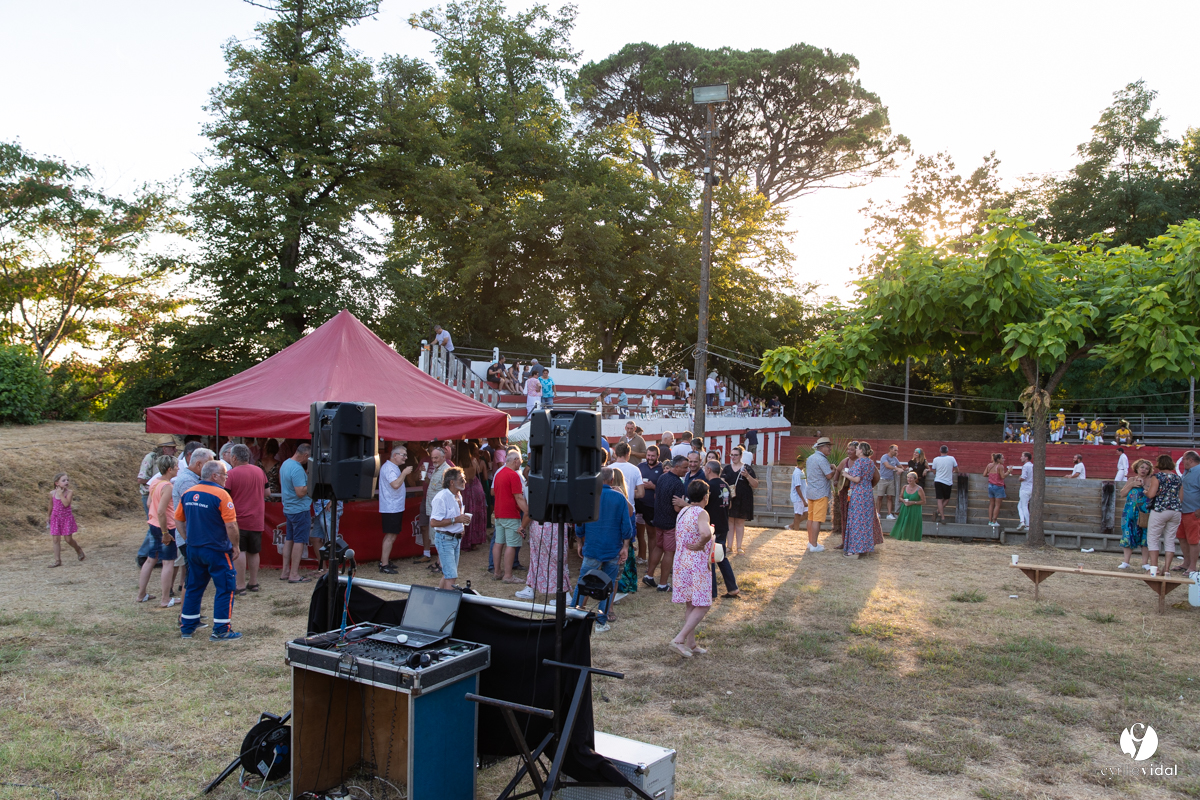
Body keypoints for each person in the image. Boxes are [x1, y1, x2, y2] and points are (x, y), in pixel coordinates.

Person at [175, 461, 241, 640]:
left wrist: (188, 538)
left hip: (194, 549)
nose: (226, 479)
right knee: (226, 587)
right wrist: (235, 546)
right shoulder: (221, 495)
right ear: (215, 476)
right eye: (225, 475)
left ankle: (187, 626)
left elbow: (178, 519)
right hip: (216, 549)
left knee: (193, 586)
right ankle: (221, 629)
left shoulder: (188, 493)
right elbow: (231, 525)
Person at [574, 467, 634, 632]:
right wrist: (625, 546)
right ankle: (601, 621)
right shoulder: (619, 498)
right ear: (612, 480)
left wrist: (580, 542)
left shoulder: (588, 498)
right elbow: (626, 526)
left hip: (593, 547)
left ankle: (574, 615)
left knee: (583, 582)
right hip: (613, 548)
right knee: (607, 586)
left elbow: (579, 524)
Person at [669, 479, 714, 658]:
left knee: (691, 603)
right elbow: (705, 533)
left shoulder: (683, 511)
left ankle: (691, 644)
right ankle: (679, 639)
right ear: (705, 496)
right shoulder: (701, 512)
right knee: (703, 604)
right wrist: (701, 543)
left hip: (681, 562)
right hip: (696, 563)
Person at [139, 454, 180, 607]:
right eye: (176, 466)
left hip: (153, 524)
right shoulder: (168, 486)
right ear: (169, 469)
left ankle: (141, 594)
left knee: (151, 559)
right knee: (168, 562)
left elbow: (150, 503)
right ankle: (165, 598)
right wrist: (165, 533)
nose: (178, 469)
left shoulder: (155, 482)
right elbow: (162, 511)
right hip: (166, 527)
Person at [226, 443, 267, 594]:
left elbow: (225, 496)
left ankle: (240, 584)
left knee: (239, 550)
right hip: (256, 519)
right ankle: (254, 582)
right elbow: (267, 492)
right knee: (254, 551)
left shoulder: (231, 474)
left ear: (235, 458)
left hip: (238, 519)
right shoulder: (259, 471)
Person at [644, 455, 687, 592]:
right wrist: (686, 506)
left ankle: (649, 575)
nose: (687, 470)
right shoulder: (678, 484)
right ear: (677, 467)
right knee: (669, 551)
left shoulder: (662, 477)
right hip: (670, 522)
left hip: (659, 519)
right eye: (684, 467)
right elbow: (676, 507)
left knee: (658, 547)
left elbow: (657, 495)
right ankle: (663, 584)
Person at [492, 450, 529, 584]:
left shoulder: (499, 474)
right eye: (520, 461)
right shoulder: (513, 475)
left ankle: (497, 572)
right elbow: (518, 497)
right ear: (515, 461)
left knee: (498, 542)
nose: (521, 463)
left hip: (499, 513)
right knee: (511, 544)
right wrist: (527, 510)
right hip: (511, 514)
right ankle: (508, 575)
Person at [428, 467, 468, 590]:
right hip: (445, 539)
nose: (465, 481)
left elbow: (458, 517)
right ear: (452, 482)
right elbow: (434, 522)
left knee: (448, 574)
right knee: (451, 576)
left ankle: (437, 599)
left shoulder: (458, 495)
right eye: (461, 479)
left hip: (455, 539)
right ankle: (448, 605)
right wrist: (456, 520)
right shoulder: (441, 497)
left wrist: (461, 527)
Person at [377, 445, 414, 575]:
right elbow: (395, 484)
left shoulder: (392, 467)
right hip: (391, 507)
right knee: (390, 536)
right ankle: (384, 564)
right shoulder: (389, 468)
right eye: (403, 455)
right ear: (395, 455)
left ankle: (384, 560)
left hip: (394, 506)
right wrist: (404, 473)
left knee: (392, 535)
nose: (405, 457)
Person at [279, 443, 312, 583]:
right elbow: (300, 492)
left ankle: (285, 571)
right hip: (299, 509)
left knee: (289, 539)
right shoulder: (297, 469)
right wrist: (311, 482)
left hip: (289, 508)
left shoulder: (286, 464)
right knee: (299, 541)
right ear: (305, 455)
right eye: (308, 458)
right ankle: (294, 574)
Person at [704, 461, 738, 599]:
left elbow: (703, 503)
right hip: (723, 524)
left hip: (713, 526)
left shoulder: (709, 486)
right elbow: (729, 505)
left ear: (709, 470)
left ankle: (711, 592)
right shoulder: (725, 485)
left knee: (710, 558)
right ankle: (732, 587)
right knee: (721, 556)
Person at [1145, 454, 1183, 576]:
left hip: (1160, 509)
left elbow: (1151, 494)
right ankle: (1166, 569)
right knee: (1170, 540)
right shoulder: (1177, 478)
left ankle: (1154, 569)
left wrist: (1145, 491)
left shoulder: (1157, 477)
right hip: (1175, 510)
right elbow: (1181, 498)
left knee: (1153, 538)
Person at [842, 442, 879, 559]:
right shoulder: (870, 462)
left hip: (858, 494)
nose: (856, 450)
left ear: (861, 451)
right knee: (865, 521)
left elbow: (857, 479)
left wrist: (846, 474)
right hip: (867, 493)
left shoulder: (859, 462)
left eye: (857, 448)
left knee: (856, 521)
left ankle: (854, 551)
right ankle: (864, 548)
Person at [722, 446, 758, 556]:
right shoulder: (727, 469)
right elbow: (722, 483)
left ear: (741, 456)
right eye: (731, 455)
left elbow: (755, 484)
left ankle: (739, 546)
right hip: (730, 498)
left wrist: (747, 475)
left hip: (743, 498)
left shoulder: (747, 468)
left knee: (739, 522)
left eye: (735, 455)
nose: (733, 457)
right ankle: (729, 546)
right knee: (730, 522)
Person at [1118, 458, 1153, 570]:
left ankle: (1145, 563)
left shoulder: (1151, 480)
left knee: (1145, 535)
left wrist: (1144, 486)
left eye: (1147, 468)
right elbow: (1122, 494)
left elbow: (1151, 494)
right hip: (1130, 511)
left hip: (1144, 512)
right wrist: (1132, 484)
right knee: (1128, 534)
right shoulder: (1132, 479)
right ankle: (1126, 561)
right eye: (1142, 467)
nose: (1144, 470)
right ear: (1137, 468)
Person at [46, 471, 85, 567]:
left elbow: (66, 504)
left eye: (67, 480)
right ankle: (57, 561)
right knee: (55, 539)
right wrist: (48, 516)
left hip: (66, 518)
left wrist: (60, 494)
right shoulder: (52, 493)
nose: (66, 482)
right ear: (57, 483)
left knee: (68, 539)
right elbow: (51, 505)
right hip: (55, 518)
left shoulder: (69, 492)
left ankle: (78, 549)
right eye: (63, 480)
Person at [419, 447, 450, 564]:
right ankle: (439, 562)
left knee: (441, 538)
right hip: (433, 510)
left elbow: (450, 492)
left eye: (436, 458)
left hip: (440, 511)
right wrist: (425, 477)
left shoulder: (446, 471)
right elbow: (433, 486)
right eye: (432, 458)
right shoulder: (437, 470)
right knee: (437, 538)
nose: (434, 460)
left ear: (443, 457)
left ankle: (441, 564)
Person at [805, 438, 835, 553]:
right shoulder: (822, 459)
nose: (830, 448)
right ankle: (814, 544)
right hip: (821, 492)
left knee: (810, 518)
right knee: (817, 520)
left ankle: (810, 542)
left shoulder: (810, 458)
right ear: (821, 447)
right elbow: (828, 476)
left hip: (811, 491)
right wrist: (833, 469)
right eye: (828, 446)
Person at [635, 445, 663, 562]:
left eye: (652, 456)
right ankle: (641, 556)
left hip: (652, 506)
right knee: (638, 533)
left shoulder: (662, 469)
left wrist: (653, 487)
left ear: (658, 456)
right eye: (648, 455)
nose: (650, 458)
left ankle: (652, 560)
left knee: (651, 534)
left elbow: (665, 489)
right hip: (639, 504)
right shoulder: (640, 467)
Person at [138, 436, 177, 516]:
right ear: (164, 449)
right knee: (154, 521)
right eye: (173, 448)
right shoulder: (151, 457)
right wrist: (159, 481)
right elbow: (141, 479)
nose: (175, 450)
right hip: (149, 494)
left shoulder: (171, 459)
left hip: (164, 493)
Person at [461, 441, 489, 551]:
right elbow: (479, 472)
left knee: (464, 514)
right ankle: (475, 540)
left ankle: (465, 540)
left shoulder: (457, 462)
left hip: (465, 489)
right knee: (475, 515)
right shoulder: (473, 460)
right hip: (476, 488)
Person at [1177, 450, 1200, 578]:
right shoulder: (1187, 472)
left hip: (1193, 511)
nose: (1183, 462)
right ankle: (1186, 563)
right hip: (1183, 510)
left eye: (1184, 459)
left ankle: (1192, 567)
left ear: (1190, 460)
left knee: (1193, 540)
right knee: (1182, 537)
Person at [890, 471, 925, 542]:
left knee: (912, 524)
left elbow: (924, 501)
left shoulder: (919, 489)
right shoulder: (904, 487)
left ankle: (912, 538)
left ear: (915, 479)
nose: (909, 479)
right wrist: (903, 501)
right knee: (903, 523)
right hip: (905, 507)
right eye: (908, 478)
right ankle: (901, 537)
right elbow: (900, 497)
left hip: (914, 509)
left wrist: (913, 502)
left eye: (911, 478)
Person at [930, 445, 958, 523]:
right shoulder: (952, 458)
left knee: (939, 499)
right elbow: (957, 469)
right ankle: (938, 513)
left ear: (940, 451)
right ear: (947, 451)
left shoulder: (935, 459)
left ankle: (941, 516)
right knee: (947, 499)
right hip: (948, 481)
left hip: (938, 480)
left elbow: (934, 471)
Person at [877, 444, 903, 519]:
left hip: (891, 479)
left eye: (897, 450)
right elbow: (887, 466)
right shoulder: (884, 457)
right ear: (890, 450)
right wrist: (896, 468)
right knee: (880, 496)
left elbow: (900, 466)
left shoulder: (895, 458)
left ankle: (889, 514)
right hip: (882, 479)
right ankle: (878, 513)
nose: (896, 452)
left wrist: (903, 469)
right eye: (895, 450)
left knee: (890, 497)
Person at [984, 453, 1010, 528]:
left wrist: (992, 476)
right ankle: (994, 521)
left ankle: (990, 521)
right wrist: (1009, 471)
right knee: (997, 505)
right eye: (1002, 458)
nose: (1004, 459)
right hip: (998, 486)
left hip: (990, 485)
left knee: (991, 504)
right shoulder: (1000, 466)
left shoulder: (989, 465)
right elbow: (1003, 476)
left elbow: (984, 474)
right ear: (998, 459)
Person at [788, 453, 807, 531]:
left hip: (803, 497)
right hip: (798, 497)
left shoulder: (801, 472)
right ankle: (796, 529)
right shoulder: (797, 473)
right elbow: (797, 487)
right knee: (798, 514)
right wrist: (803, 500)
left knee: (806, 513)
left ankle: (791, 526)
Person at [1016, 452, 1034, 532]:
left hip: (1025, 488)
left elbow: (1023, 477)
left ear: (1026, 458)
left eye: (1022, 456)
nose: (1021, 458)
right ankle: (1022, 521)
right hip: (1031, 488)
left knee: (1023, 506)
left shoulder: (1025, 466)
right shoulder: (1032, 466)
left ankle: (1027, 524)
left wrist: (1019, 478)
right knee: (1020, 506)